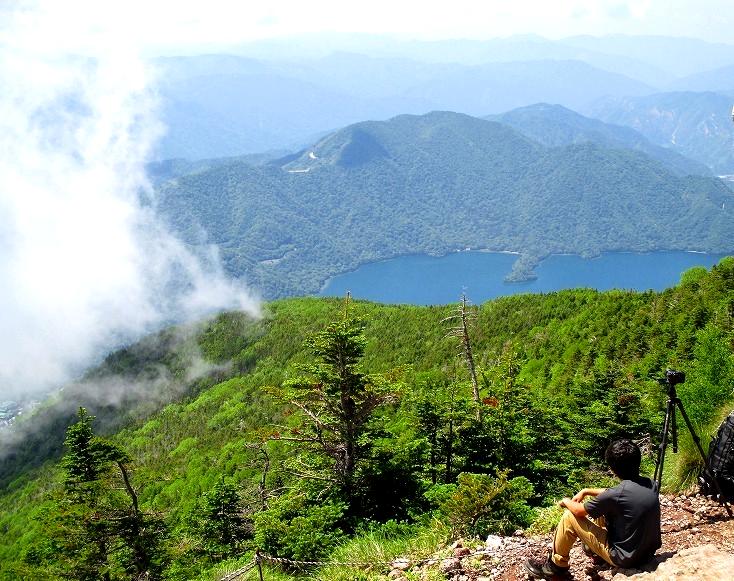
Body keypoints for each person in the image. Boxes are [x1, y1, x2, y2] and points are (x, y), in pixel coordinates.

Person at [525, 439, 661, 579]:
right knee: (606, 510)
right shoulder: (651, 484)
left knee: (569, 517)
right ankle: (595, 552)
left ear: (613, 469)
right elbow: (614, 494)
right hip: (647, 554)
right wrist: (586, 491)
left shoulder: (615, 495)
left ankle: (556, 567)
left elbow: (578, 511)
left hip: (625, 558)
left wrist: (566, 501)